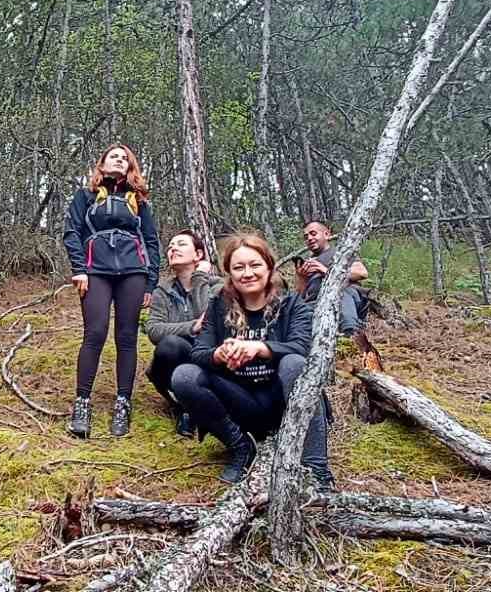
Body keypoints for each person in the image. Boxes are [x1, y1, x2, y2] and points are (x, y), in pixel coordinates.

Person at [171, 233, 335, 486]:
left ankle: (316, 468)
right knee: (184, 376)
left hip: (282, 401)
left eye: (255, 265)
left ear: (269, 267)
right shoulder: (219, 306)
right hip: (242, 401)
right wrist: (219, 354)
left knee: (294, 364)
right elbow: (198, 352)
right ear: (230, 274)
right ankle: (241, 447)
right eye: (238, 267)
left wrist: (260, 348)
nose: (247, 273)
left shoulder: (291, 305)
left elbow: (303, 348)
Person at [62, 143, 161, 439]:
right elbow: (72, 232)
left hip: (133, 272)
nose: (119, 160)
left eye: (125, 158)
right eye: (113, 157)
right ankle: (82, 404)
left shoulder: (139, 202)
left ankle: (123, 403)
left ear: (131, 168)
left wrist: (151, 282)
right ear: (102, 165)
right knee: (95, 332)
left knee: (127, 337)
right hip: (95, 271)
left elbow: (151, 242)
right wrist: (79, 268)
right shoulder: (85, 196)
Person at [143, 229, 222, 437]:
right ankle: (183, 408)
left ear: (198, 255)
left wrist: (199, 278)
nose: (173, 248)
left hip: (209, 362)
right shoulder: (162, 290)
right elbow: (153, 330)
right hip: (172, 364)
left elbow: (210, 323)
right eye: (170, 246)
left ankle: (203, 406)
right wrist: (192, 326)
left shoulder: (218, 286)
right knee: (170, 345)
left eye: (180, 244)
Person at [292, 220, 369, 336]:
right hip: (316, 303)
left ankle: (351, 335)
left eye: (313, 234)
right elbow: (300, 296)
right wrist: (302, 277)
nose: (309, 238)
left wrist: (326, 271)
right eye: (306, 236)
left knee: (341, 293)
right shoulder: (306, 262)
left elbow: (362, 273)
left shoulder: (340, 253)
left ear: (326, 234)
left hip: (345, 298)